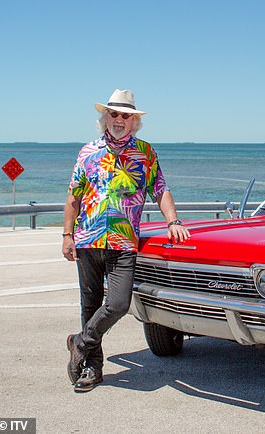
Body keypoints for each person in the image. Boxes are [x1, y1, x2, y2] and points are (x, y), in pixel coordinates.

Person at [62, 89, 190, 393]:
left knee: (118, 303)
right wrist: (67, 235)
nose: (119, 120)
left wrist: (173, 221)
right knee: (90, 305)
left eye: (125, 115)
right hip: (87, 240)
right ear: (105, 117)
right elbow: (73, 196)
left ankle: (79, 342)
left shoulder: (145, 153)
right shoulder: (87, 152)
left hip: (123, 244)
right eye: (114, 114)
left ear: (134, 121)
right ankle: (92, 368)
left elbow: (160, 189)